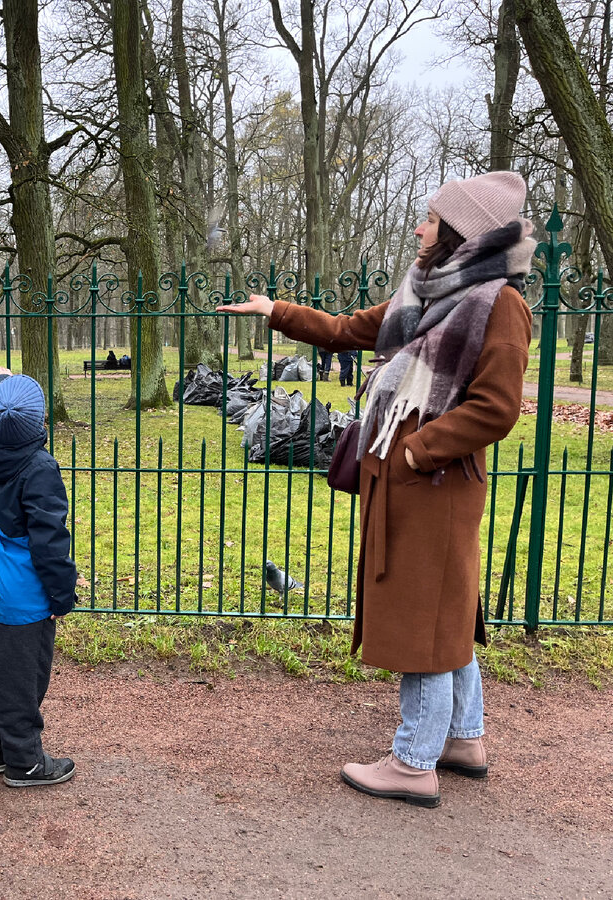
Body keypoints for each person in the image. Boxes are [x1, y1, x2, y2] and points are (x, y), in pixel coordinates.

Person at [218, 170, 534, 808]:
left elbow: (497, 409)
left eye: (431, 220)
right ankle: (464, 738)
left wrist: (417, 451)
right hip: (415, 483)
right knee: (444, 607)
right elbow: (346, 330)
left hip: (437, 482)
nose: (420, 229)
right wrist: (273, 311)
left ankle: (414, 761)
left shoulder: (499, 304)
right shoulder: (428, 294)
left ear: (460, 233)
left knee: (424, 614)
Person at [0, 367, 78, 787]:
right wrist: (61, 597)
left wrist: (4, 384)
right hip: (24, 595)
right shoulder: (38, 469)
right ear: (37, 425)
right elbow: (50, 543)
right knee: (23, 677)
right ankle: (25, 762)